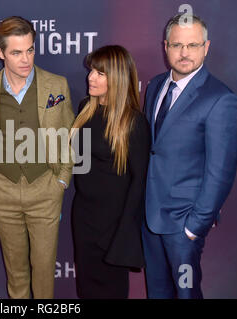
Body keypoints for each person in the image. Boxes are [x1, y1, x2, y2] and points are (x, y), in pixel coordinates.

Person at [142, 14, 237, 299]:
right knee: (157, 294)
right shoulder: (155, 86)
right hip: (149, 219)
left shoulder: (221, 99)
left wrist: (194, 226)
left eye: (193, 45)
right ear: (165, 46)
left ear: (206, 47)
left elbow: (221, 171)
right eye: (177, 45)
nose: (184, 53)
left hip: (183, 225)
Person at [0, 16, 74, 299]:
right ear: (0, 53)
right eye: (16, 52)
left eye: (30, 49)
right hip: (1, 191)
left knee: (43, 273)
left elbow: (68, 134)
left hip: (45, 189)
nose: (26, 59)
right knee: (15, 273)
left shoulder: (57, 85)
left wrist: (62, 180)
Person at [71, 45, 150, 298]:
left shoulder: (133, 122)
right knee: (85, 288)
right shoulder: (85, 108)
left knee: (111, 291)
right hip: (83, 218)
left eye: (100, 73)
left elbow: (139, 183)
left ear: (116, 77)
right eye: (92, 71)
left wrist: (124, 232)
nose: (90, 77)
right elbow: (78, 163)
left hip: (114, 226)